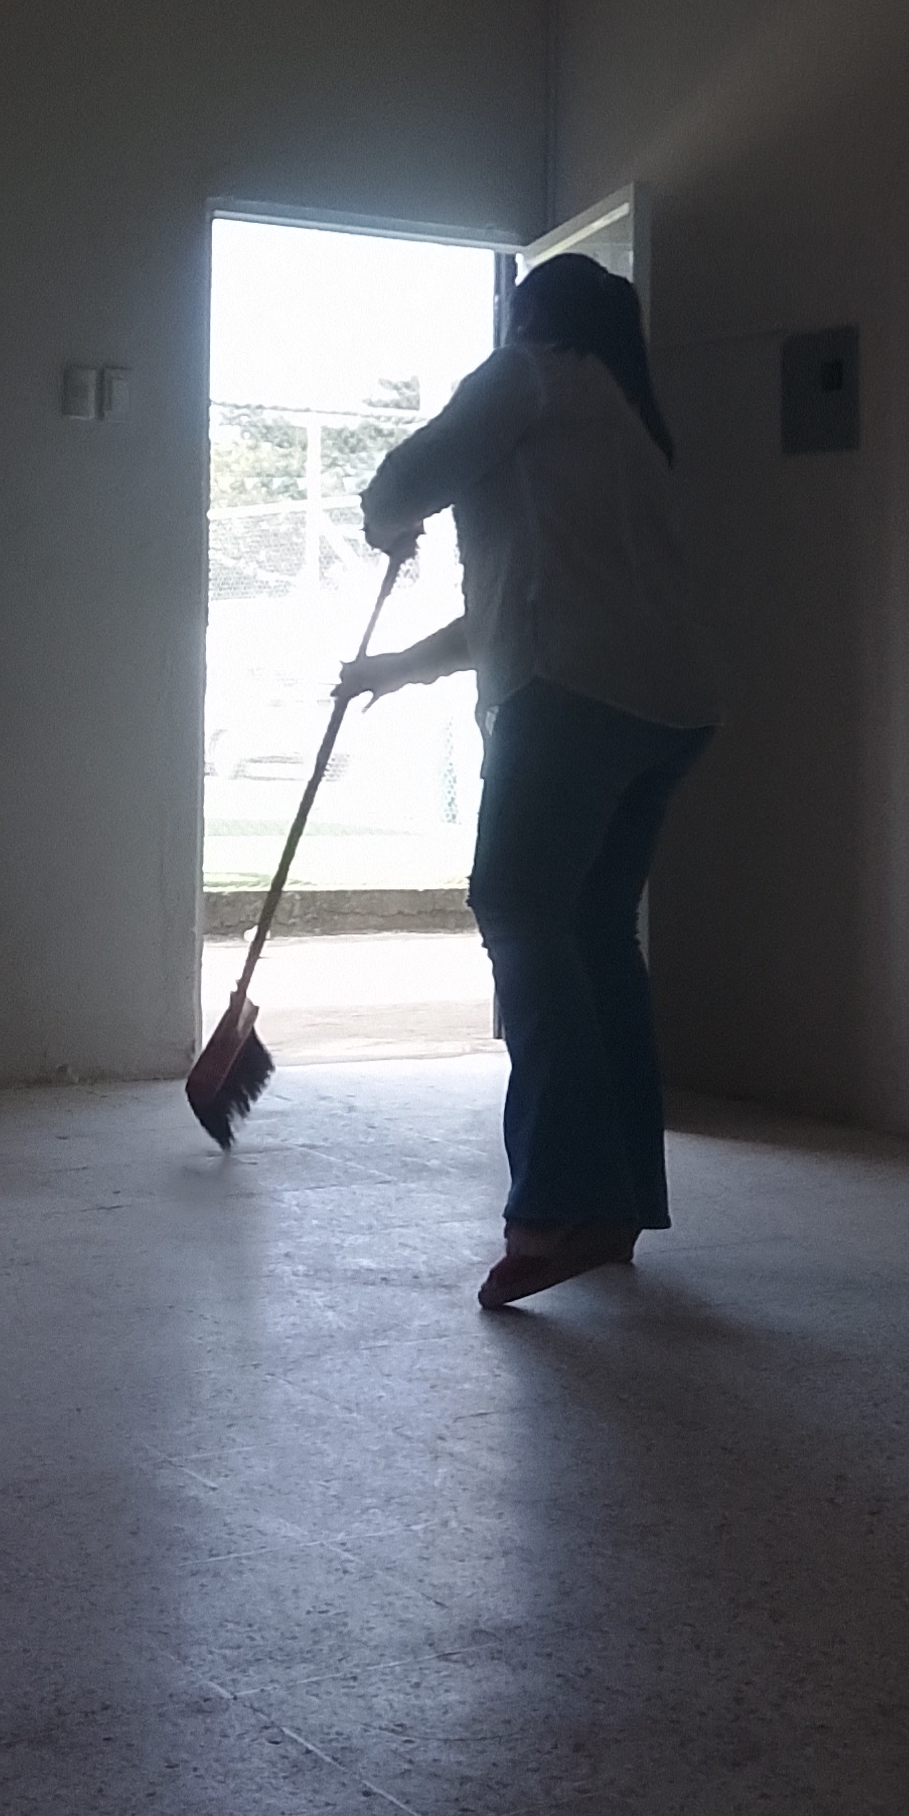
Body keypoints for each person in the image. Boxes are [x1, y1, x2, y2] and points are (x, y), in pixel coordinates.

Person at [344, 253, 717, 1310]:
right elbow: (516, 608)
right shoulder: (622, 419)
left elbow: (405, 479)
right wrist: (394, 669)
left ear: (532, 316)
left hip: (572, 703)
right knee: (593, 932)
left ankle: (556, 1207)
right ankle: (613, 1206)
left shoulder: (530, 372)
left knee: (516, 909)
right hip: (668, 709)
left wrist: (387, 520)